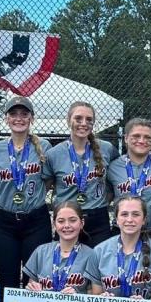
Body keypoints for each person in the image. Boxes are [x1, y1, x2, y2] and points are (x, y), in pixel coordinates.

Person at [0, 95, 52, 291]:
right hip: (6, 221)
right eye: (13, 114)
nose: (19, 118)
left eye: (24, 114)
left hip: (36, 219)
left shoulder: (44, 146)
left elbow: (48, 180)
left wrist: (33, 195)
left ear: (32, 118)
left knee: (34, 280)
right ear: (6, 118)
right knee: (8, 279)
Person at [46, 101, 115, 246]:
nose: (84, 123)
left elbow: (114, 180)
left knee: (97, 266)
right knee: (67, 265)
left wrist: (104, 200)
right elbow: (47, 186)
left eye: (89, 120)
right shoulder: (54, 154)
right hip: (68, 218)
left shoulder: (107, 149)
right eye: (78, 118)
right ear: (68, 120)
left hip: (98, 219)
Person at [87, 194, 151, 299]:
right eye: (124, 214)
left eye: (136, 214)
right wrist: (102, 298)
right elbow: (95, 293)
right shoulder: (99, 251)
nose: (129, 219)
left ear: (144, 219)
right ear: (116, 219)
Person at [106, 118, 151, 234]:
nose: (141, 141)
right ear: (126, 138)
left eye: (147, 137)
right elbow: (107, 197)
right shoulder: (113, 167)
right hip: (123, 231)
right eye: (136, 136)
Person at [23, 201, 95, 293]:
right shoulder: (41, 251)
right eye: (61, 221)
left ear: (81, 223)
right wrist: (33, 288)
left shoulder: (91, 256)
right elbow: (30, 286)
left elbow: (94, 294)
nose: (67, 225)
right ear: (54, 225)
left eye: (72, 220)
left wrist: (79, 296)